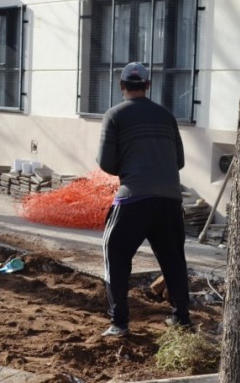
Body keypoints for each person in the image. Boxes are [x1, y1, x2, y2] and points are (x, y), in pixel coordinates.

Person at [96, 62, 191, 338]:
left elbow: (106, 162)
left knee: (115, 254)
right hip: (170, 201)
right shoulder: (166, 116)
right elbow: (180, 161)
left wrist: (131, 169)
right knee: (174, 260)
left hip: (133, 199)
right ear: (148, 85)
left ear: (121, 85)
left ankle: (120, 322)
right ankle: (182, 318)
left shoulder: (114, 115)